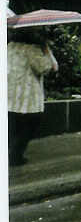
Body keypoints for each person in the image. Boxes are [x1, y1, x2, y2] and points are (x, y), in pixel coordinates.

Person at [7, 29, 58, 166]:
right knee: (31, 124)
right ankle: (15, 157)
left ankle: (12, 155)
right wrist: (46, 50)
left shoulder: (10, 46)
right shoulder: (32, 49)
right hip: (27, 97)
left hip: (10, 95)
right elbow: (46, 68)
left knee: (14, 126)